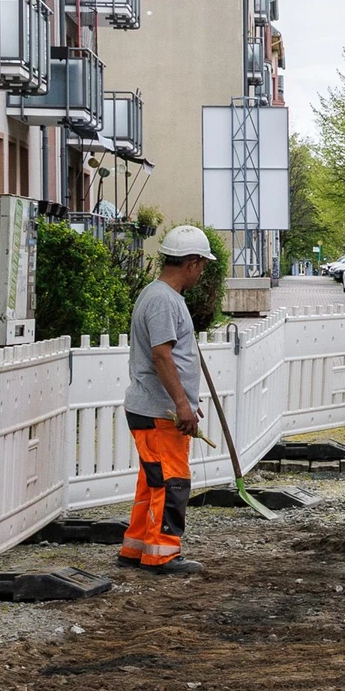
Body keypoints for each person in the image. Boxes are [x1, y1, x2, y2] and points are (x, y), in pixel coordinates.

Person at [122, 225, 214, 575]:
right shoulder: (162, 300)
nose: (202, 272)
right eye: (202, 265)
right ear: (190, 263)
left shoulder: (158, 295)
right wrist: (181, 404)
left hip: (154, 408)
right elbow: (162, 356)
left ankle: (136, 548)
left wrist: (186, 400)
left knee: (152, 481)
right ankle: (162, 554)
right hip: (159, 411)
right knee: (172, 482)